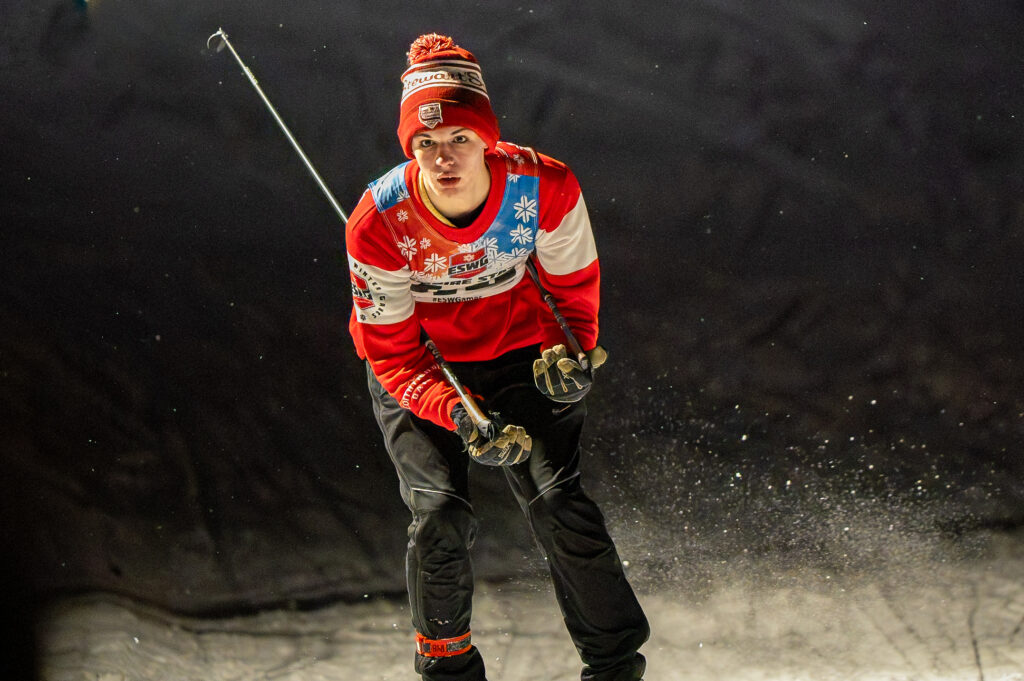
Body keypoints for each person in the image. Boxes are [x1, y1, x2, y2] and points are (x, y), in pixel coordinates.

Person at [345, 33, 649, 681]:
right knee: (441, 512)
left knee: (556, 497)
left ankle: (615, 666)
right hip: (422, 373)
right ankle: (449, 669)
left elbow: (571, 290)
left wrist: (568, 355)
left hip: (518, 354)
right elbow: (392, 354)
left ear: (487, 137)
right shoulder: (378, 220)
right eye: (425, 144)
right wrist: (457, 415)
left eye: (458, 138)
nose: (443, 158)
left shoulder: (544, 184)